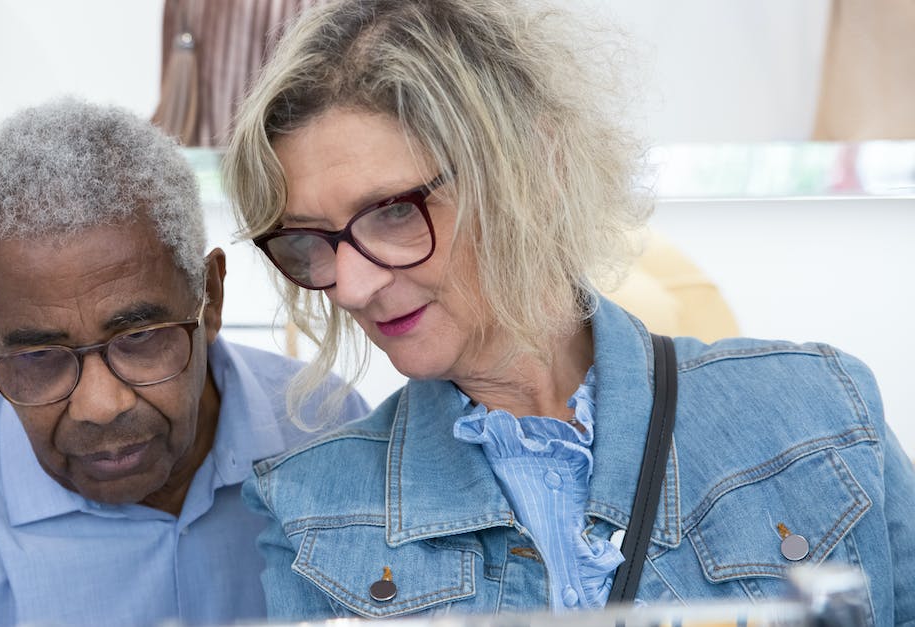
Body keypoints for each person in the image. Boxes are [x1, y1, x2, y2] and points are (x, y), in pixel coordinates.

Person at [222, 0, 915, 622]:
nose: (349, 285)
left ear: (538, 168)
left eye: (395, 212)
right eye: (313, 239)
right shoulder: (313, 511)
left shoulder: (820, 416)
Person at [0, 98, 369, 626]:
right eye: (38, 356)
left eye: (140, 336)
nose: (100, 406)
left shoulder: (330, 430)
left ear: (212, 297)